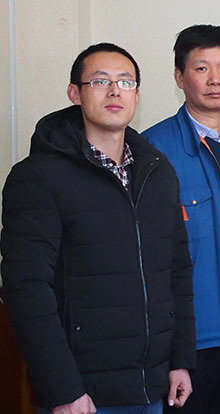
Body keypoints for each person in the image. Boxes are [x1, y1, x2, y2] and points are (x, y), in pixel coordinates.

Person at [0, 43, 196, 414]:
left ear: (137, 95)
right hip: (82, 394)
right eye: (100, 81)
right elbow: (27, 289)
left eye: (125, 82)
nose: (114, 91)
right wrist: (62, 388)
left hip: (152, 388)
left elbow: (177, 273)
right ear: (75, 93)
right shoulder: (38, 177)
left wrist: (180, 359)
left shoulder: (158, 173)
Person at [143, 25, 220, 414]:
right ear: (179, 77)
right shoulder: (151, 149)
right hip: (185, 341)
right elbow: (146, 259)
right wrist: (170, 349)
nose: (215, 79)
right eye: (201, 68)